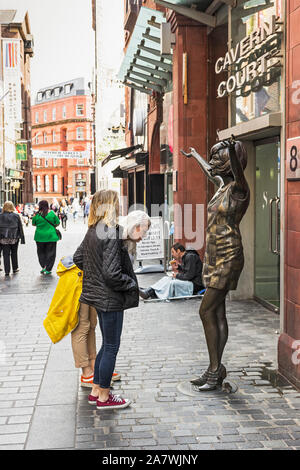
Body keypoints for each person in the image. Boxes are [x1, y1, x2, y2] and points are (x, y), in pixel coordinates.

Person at [181, 137, 250, 391]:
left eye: (218, 158)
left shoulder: (240, 189)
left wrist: (231, 150)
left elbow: (237, 171)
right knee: (217, 312)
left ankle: (214, 370)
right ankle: (215, 368)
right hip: (212, 254)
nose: (212, 162)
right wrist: (195, 155)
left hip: (229, 255)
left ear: (232, 161)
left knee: (205, 311)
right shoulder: (222, 185)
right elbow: (211, 172)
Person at [73, 190, 139, 410]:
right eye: (116, 202)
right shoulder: (110, 232)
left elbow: (78, 258)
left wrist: (95, 276)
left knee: (106, 344)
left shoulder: (93, 230)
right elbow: (112, 273)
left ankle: (95, 390)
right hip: (110, 298)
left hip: (97, 297)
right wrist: (130, 284)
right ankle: (104, 397)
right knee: (111, 346)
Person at [139, 243, 204, 300]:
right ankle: (149, 290)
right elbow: (188, 271)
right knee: (166, 278)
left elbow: (189, 276)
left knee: (172, 283)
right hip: (190, 281)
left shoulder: (190, 257)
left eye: (173, 252)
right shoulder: (186, 257)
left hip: (195, 285)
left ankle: (150, 293)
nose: (172, 255)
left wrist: (177, 275)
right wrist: (178, 268)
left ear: (178, 251)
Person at [32, 200, 61, 275]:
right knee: (51, 253)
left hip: (39, 236)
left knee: (41, 252)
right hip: (51, 236)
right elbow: (57, 222)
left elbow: (33, 224)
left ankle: (43, 266)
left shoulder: (37, 214)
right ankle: (48, 268)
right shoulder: (52, 213)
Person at [0, 201, 25, 276]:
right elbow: (20, 227)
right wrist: (22, 238)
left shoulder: (0, 216)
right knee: (14, 253)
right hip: (14, 237)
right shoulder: (16, 216)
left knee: (5, 254)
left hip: (3, 238)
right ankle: (15, 268)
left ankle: (7, 271)